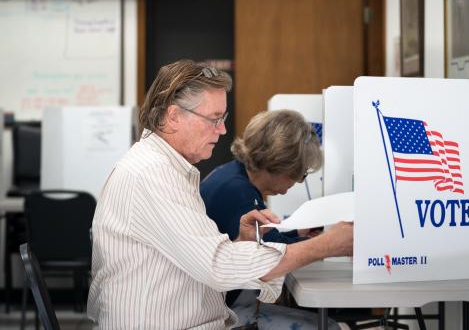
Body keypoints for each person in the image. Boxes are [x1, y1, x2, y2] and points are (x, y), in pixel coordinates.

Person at [87, 59, 352, 329]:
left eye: (222, 119)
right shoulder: (152, 173)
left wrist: (239, 242)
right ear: (174, 116)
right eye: (214, 119)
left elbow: (197, 261)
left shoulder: (163, 168)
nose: (223, 130)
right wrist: (328, 245)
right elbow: (218, 267)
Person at [200, 109, 321, 307]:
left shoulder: (233, 175)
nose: (298, 181)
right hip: (220, 310)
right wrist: (327, 244)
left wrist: (298, 233)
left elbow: (263, 238)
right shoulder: (238, 192)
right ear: (281, 162)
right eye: (300, 172)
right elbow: (272, 253)